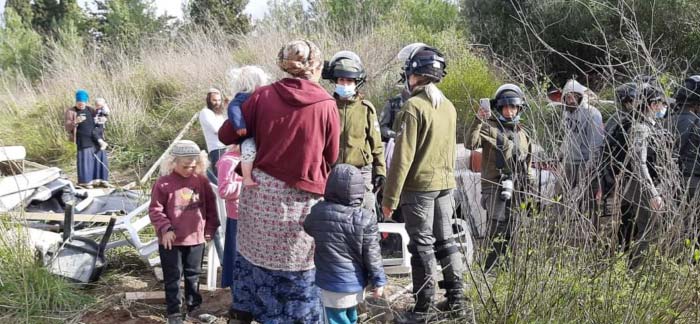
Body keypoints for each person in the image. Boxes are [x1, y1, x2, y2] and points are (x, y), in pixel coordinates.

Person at [218, 39, 340, 324]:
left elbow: (226, 135)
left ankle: (250, 310)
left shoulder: (261, 96)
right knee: (298, 260)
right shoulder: (325, 104)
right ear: (316, 66)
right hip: (301, 199)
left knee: (254, 255)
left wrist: (241, 107)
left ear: (283, 64)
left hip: (260, 192)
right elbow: (332, 154)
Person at [380, 43, 469, 321]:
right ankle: (458, 303)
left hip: (419, 188)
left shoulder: (413, 106)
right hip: (445, 184)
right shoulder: (448, 107)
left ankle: (423, 309)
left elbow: (401, 159)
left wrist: (389, 199)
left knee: (421, 247)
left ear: (413, 74)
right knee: (447, 243)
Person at [303, 164, 387, 324]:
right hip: (355, 283)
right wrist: (379, 280)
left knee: (335, 318)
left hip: (330, 283)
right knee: (350, 315)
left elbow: (307, 226)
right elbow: (373, 254)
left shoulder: (319, 211)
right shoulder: (366, 218)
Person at [148, 140, 220, 324]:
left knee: (193, 275)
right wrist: (165, 228)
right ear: (173, 162)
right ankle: (174, 313)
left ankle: (194, 309)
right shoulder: (163, 184)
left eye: (193, 166)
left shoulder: (201, 180)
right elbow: (155, 210)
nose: (190, 169)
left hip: (195, 238)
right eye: (185, 166)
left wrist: (210, 228)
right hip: (171, 241)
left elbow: (211, 207)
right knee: (172, 277)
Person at [465, 83, 533, 272]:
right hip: (495, 186)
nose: (508, 111)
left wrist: (532, 194)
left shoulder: (523, 134)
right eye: (504, 107)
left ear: (519, 108)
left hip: (517, 187)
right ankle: (491, 270)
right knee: (497, 228)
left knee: (514, 229)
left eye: (512, 107)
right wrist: (478, 119)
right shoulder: (488, 128)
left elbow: (527, 166)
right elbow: (470, 143)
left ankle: (508, 269)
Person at [600, 82, 667, 269]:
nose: (664, 108)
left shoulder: (647, 125)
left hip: (641, 186)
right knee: (647, 229)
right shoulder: (640, 128)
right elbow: (639, 163)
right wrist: (652, 193)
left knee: (642, 229)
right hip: (640, 188)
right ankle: (635, 270)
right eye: (662, 104)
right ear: (653, 105)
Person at [322, 50, 385, 215]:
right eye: (341, 80)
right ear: (335, 81)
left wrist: (380, 171)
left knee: (365, 211)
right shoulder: (326, 107)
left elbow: (376, 144)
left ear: (356, 82)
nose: (345, 84)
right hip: (332, 169)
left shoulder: (366, 109)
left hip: (360, 170)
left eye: (349, 80)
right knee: (333, 214)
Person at [556, 79, 604, 202]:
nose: (571, 100)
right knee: (559, 196)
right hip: (569, 160)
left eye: (574, 97)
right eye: (568, 97)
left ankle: (587, 221)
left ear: (580, 97)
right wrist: (560, 154)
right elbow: (568, 136)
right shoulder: (566, 113)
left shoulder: (592, 114)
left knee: (586, 200)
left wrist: (590, 167)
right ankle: (558, 221)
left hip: (585, 162)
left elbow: (597, 144)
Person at [225, 66, 270, 188]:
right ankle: (246, 178)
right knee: (249, 151)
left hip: (258, 133)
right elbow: (232, 108)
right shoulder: (244, 96)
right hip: (248, 135)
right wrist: (239, 124)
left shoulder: (261, 96)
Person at [216, 144, 244, 316]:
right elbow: (224, 190)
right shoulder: (228, 161)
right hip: (237, 217)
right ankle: (238, 300)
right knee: (236, 259)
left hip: (255, 217)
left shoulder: (253, 159)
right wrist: (245, 185)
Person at [64, 89, 106, 188]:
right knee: (85, 160)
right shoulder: (71, 111)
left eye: (82, 103)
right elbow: (67, 126)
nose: (81, 105)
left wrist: (102, 120)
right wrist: (76, 121)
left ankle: (100, 180)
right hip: (82, 139)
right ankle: (86, 182)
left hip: (95, 137)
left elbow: (98, 119)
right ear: (76, 101)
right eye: (79, 103)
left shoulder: (90, 109)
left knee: (100, 155)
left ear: (86, 101)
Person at [199, 88, 227, 184]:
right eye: (214, 100)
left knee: (229, 178)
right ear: (208, 100)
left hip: (227, 148)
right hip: (217, 149)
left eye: (219, 100)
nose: (217, 103)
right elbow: (217, 130)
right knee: (221, 180)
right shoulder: (205, 112)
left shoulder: (219, 114)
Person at [93, 97, 111, 187]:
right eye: (97, 105)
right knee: (94, 133)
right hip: (97, 127)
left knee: (95, 132)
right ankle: (97, 178)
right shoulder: (95, 111)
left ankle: (102, 142)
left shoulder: (104, 110)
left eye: (99, 105)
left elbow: (107, 112)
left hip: (100, 127)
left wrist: (104, 105)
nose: (98, 106)